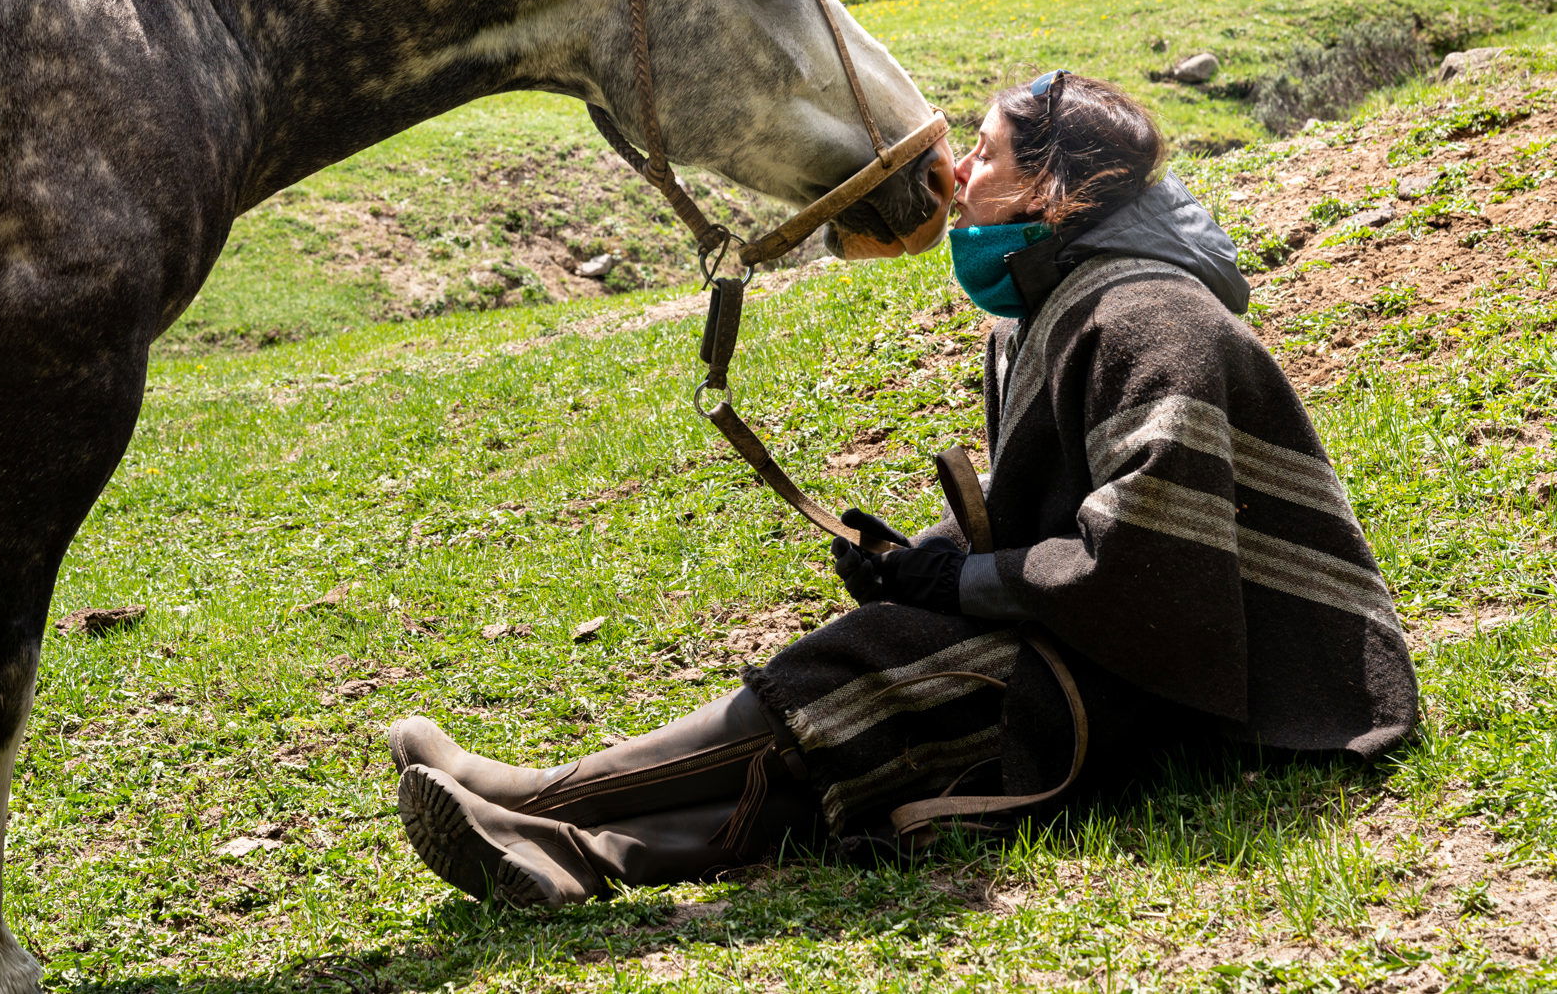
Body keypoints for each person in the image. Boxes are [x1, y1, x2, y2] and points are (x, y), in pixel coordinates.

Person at [389, 70, 1419, 908]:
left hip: (1232, 675)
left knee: (876, 667)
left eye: (985, 154)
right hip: (1127, 640)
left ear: (1050, 189)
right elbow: (1053, 511)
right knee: (884, 694)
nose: (957, 174)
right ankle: (572, 850)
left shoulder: (1151, 319)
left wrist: (954, 585)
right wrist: (919, 558)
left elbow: (1150, 563)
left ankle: (545, 798)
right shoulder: (1049, 312)